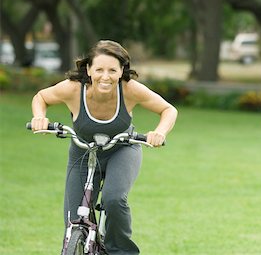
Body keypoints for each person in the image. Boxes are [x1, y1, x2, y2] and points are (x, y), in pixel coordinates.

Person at [30, 40, 178, 255]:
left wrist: (159, 132)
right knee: (73, 221)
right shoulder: (73, 89)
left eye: (112, 70)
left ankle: (120, 251)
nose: (105, 76)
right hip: (82, 154)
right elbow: (41, 97)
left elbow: (168, 109)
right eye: (99, 69)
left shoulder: (129, 90)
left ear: (121, 71)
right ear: (89, 69)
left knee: (114, 198)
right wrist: (39, 116)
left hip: (122, 150)